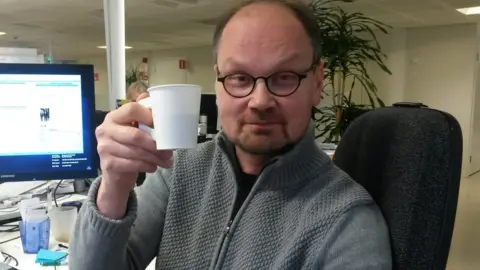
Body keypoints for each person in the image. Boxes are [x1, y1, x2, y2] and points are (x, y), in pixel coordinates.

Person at [70, 0, 392, 269]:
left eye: (283, 77)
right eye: (239, 77)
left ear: (318, 82)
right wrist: (114, 186)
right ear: (218, 82)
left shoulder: (348, 222)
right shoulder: (179, 171)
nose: (261, 101)